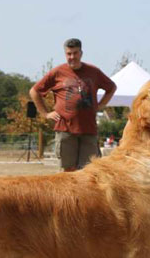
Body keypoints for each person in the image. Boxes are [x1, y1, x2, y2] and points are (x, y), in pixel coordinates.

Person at [30, 38, 116, 172]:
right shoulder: (57, 72)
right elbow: (34, 91)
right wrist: (45, 114)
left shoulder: (93, 72)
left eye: (75, 53)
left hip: (89, 129)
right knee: (67, 172)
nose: (72, 57)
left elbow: (111, 87)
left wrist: (101, 105)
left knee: (90, 171)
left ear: (81, 53)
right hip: (65, 129)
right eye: (69, 54)